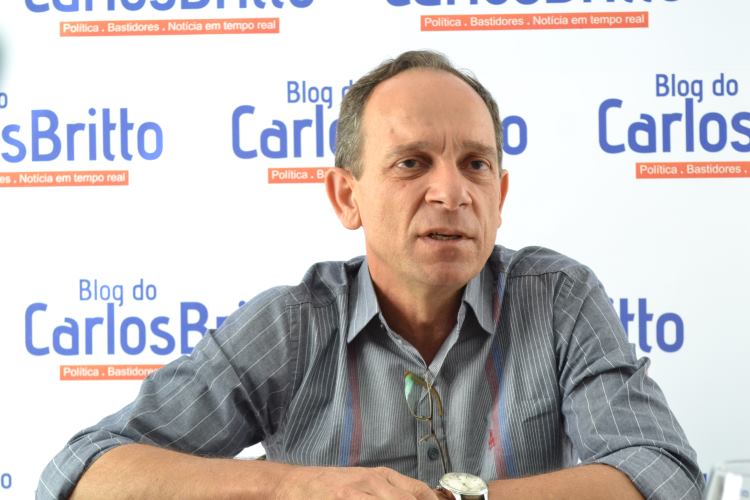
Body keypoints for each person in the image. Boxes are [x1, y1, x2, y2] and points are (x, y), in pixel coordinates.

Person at [38, 50, 703, 500]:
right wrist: (298, 487)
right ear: (346, 196)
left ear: (500, 195)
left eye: (475, 165)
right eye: (412, 163)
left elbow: (662, 472)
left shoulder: (558, 299)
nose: (452, 193)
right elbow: (80, 474)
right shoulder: (292, 326)